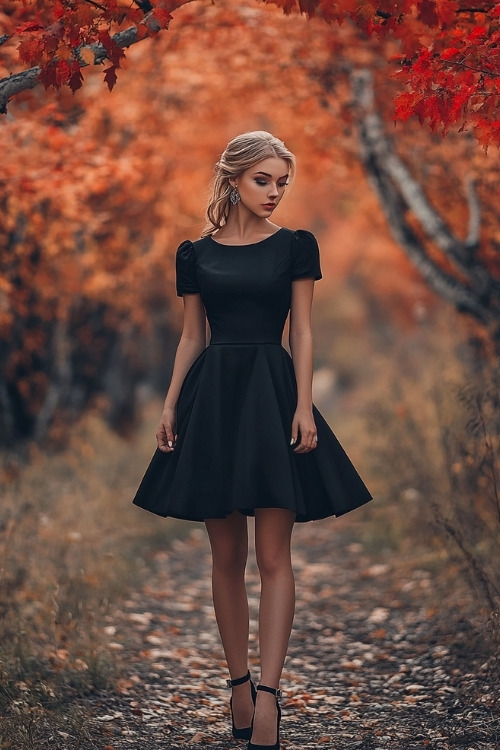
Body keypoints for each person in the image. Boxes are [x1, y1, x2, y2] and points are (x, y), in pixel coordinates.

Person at [132, 131, 372, 749]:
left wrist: (302, 405)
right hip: (213, 398)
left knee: (273, 557)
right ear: (234, 179)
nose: (274, 192)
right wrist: (169, 405)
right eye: (263, 179)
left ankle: (268, 696)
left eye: (281, 182)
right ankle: (236, 684)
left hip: (271, 394)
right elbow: (191, 336)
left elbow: (305, 331)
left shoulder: (295, 247)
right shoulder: (194, 254)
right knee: (224, 557)